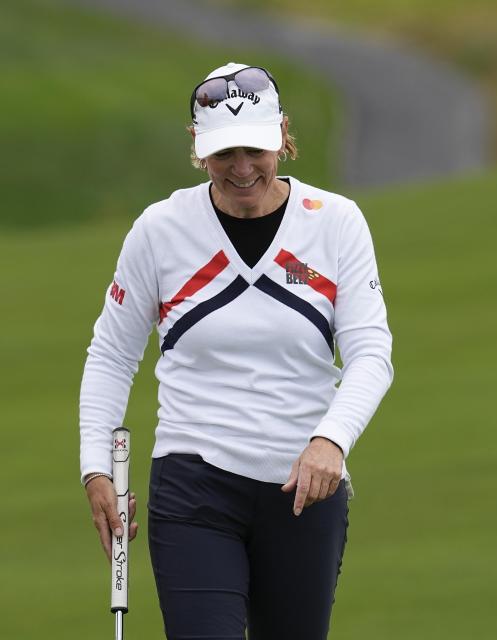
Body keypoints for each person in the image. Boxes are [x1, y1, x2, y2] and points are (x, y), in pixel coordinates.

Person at [80, 62, 393, 639]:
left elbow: (371, 350)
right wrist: (96, 467)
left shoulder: (337, 223)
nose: (242, 169)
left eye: (255, 149)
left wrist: (332, 440)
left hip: (306, 488)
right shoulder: (160, 230)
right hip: (193, 481)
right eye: (225, 153)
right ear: (198, 148)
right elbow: (112, 355)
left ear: (282, 136)